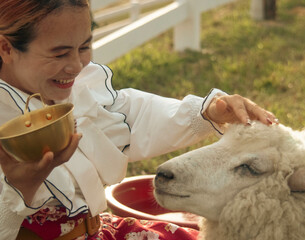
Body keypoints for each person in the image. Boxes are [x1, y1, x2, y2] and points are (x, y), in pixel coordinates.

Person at [0, 0, 278, 239]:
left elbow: (134, 115)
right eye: (60, 53)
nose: (76, 66)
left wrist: (208, 112)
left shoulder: (76, 90)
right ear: (6, 48)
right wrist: (20, 189)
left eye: (84, 47)